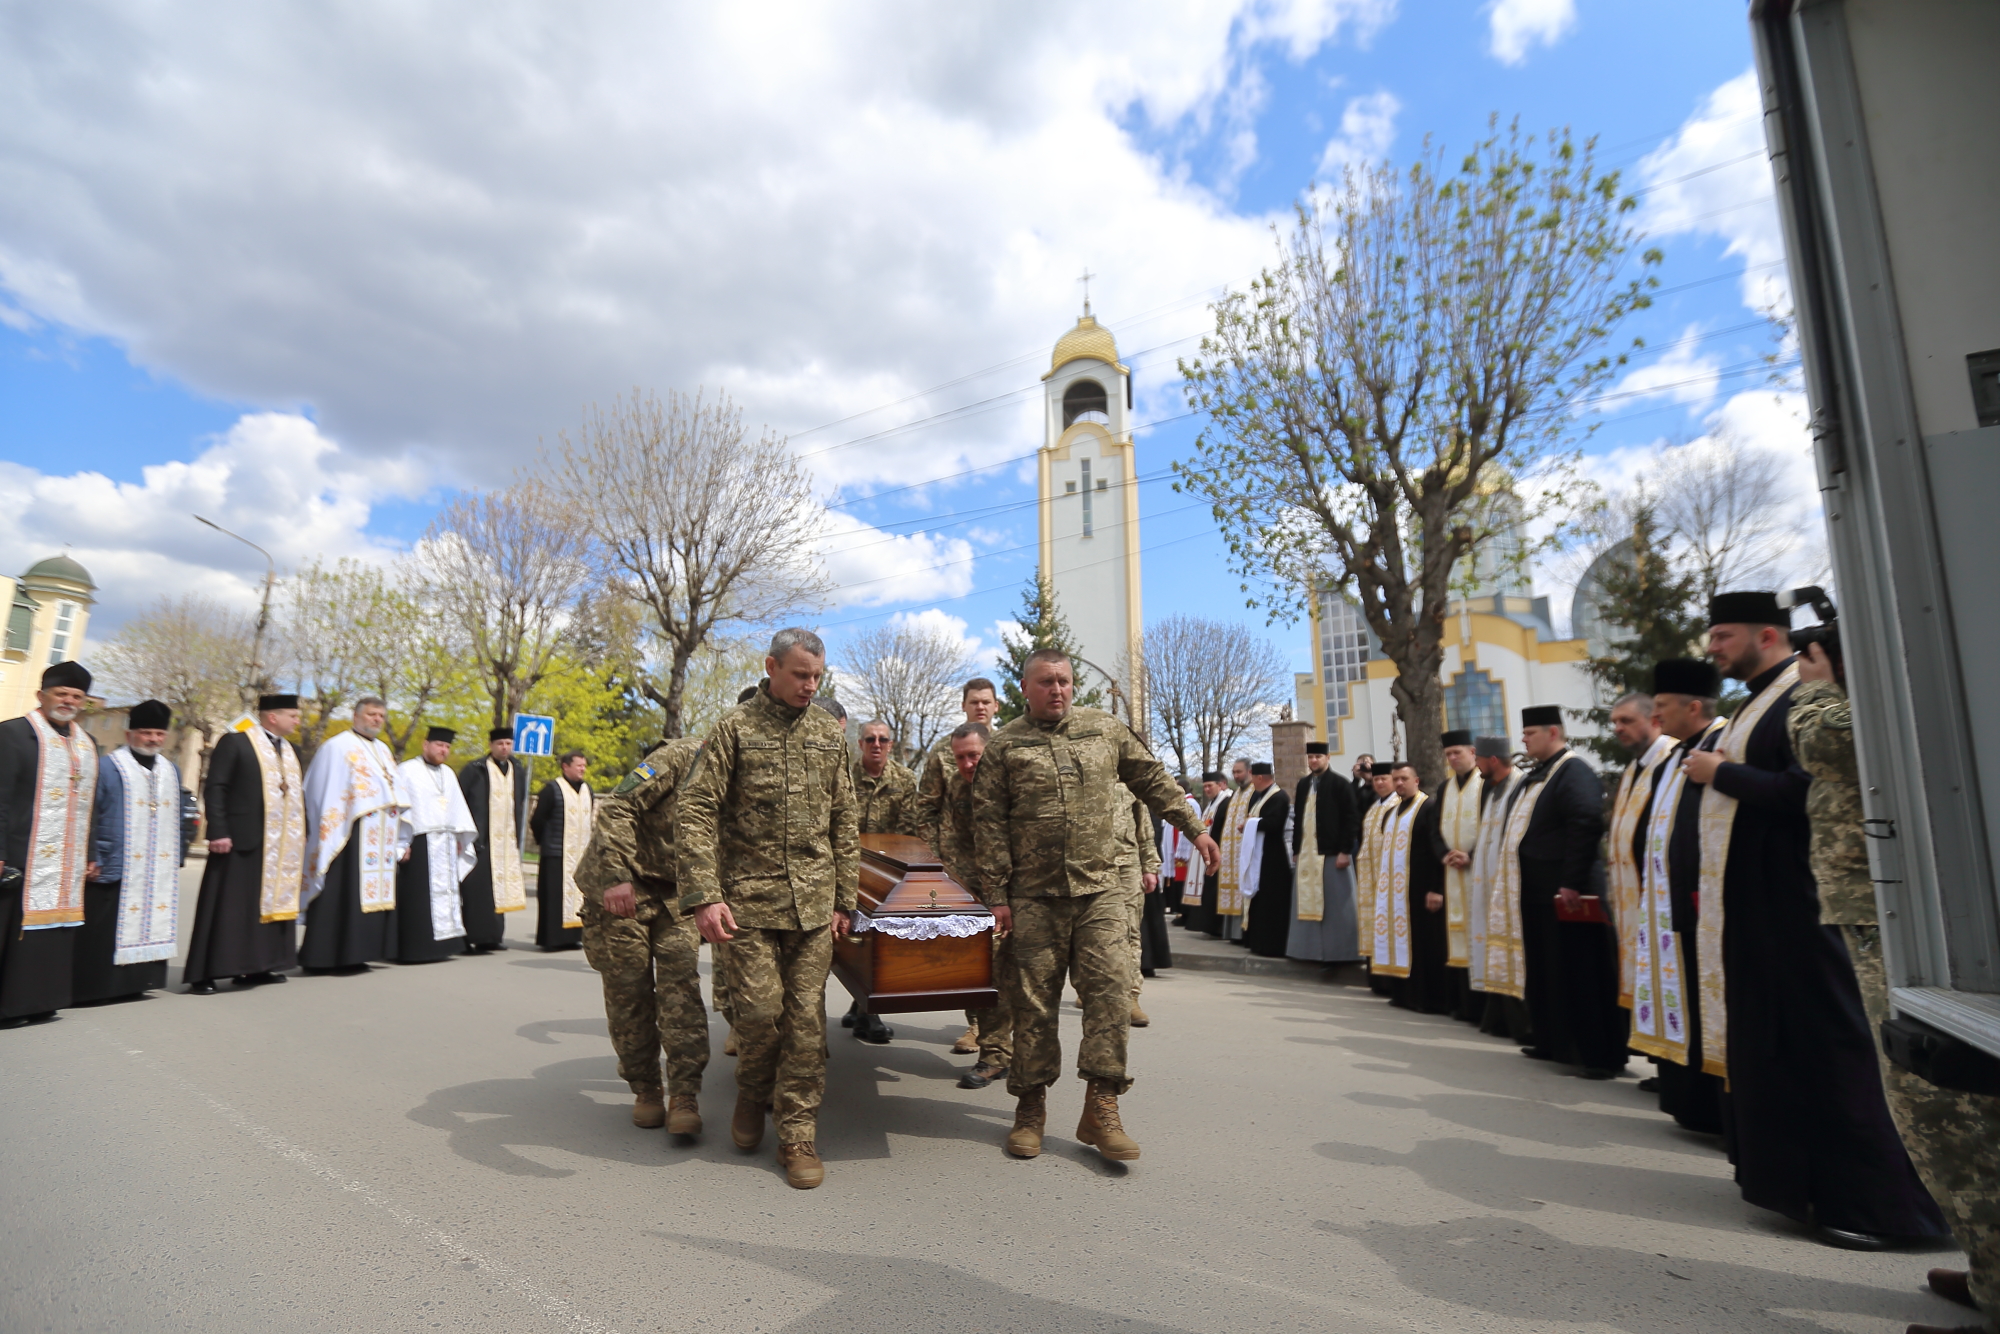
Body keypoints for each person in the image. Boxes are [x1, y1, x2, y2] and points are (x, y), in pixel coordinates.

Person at [1685, 592, 1946, 1246]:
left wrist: (1722, 773)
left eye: (1723, 634)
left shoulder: (1805, 698)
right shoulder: (1759, 701)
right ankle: (1802, 1188)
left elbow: (1811, 790)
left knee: (1835, 1048)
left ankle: (1879, 1208)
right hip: (1763, 910)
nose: (1712, 647)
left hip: (1808, 906)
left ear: (1768, 636)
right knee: (1783, 1047)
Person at [1789, 642, 2000, 1326]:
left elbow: (1825, 743)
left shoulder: (1864, 693)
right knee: (1930, 1096)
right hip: (1885, 906)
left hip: (1907, 910)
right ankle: (1990, 1271)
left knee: (1936, 1101)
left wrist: (1818, 687)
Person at [972, 648, 1219, 1162]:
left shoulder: (1104, 729)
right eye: (1046, 682)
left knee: (1109, 996)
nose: (1057, 689)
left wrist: (1194, 829)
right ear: (1025, 687)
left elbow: (1151, 777)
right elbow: (989, 823)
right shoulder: (1005, 745)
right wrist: (996, 895)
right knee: (1034, 1005)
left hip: (1100, 891)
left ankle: (1102, 1106)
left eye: (1063, 680)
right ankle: (1030, 1108)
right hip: (1033, 897)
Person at [678, 628, 858, 1190]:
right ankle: (753, 1091)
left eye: (817, 677)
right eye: (801, 674)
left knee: (806, 1024)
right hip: (748, 906)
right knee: (758, 1017)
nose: (810, 685)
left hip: (813, 908)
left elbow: (844, 819)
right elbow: (696, 808)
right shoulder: (734, 729)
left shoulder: (828, 734)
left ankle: (797, 1134)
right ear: (771, 667)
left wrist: (845, 900)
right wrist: (704, 894)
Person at [574, 735, 712, 1136]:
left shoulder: (746, 773)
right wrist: (617, 876)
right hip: (623, 887)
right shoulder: (679, 757)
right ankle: (646, 1087)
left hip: (676, 893)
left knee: (681, 988)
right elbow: (618, 807)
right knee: (629, 989)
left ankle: (684, 1093)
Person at [1631, 660, 1727, 1134]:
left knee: (1707, 1003)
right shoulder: (1674, 756)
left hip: (1701, 902)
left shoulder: (1723, 744)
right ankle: (1690, 1105)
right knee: (1682, 999)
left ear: (1693, 707)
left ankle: (1715, 1111)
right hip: (1667, 905)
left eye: (1662, 706)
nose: (1656, 715)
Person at [1502, 705, 1625, 1078]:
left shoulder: (1575, 771)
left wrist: (1571, 881)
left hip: (1571, 893)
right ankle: (1553, 1040)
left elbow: (1585, 823)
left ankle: (1598, 1055)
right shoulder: (1539, 774)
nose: (1523, 739)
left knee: (1583, 973)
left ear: (1553, 733)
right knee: (1547, 971)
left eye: (1530, 733)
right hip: (1538, 892)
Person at [184, 693, 305, 994]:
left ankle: (257, 967)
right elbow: (217, 787)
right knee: (226, 908)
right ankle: (206, 972)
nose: (298, 721)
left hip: (278, 844)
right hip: (238, 840)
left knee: (262, 907)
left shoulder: (292, 751)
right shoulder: (236, 742)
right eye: (293, 715)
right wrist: (218, 831)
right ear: (273, 716)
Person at [0, 661, 98, 1025]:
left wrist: (90, 853)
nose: (69, 701)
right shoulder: (12, 733)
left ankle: (42, 1000)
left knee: (56, 928)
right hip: (20, 851)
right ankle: (9, 1006)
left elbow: (90, 804)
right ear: (42, 695)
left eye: (77, 696)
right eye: (61, 694)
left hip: (66, 857)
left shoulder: (86, 744)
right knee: (14, 929)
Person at [77, 698, 186, 1003]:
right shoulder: (108, 766)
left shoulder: (171, 770)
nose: (153, 739)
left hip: (155, 864)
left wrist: (177, 855)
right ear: (129, 734)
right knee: (103, 927)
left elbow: (177, 816)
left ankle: (138, 983)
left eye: (159, 734)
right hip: (114, 860)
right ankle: (96, 988)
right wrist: (93, 855)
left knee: (152, 917)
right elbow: (90, 813)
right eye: (146, 733)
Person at [914, 678, 1001, 1054]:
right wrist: (935, 860)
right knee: (971, 949)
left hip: (1004, 867)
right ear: (963, 706)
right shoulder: (943, 751)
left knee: (1006, 952)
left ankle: (1004, 1031)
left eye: (986, 702)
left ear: (996, 706)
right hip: (960, 870)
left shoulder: (1009, 746)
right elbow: (925, 807)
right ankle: (976, 1024)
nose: (980, 707)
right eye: (973, 702)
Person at [299, 697, 409, 972]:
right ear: (356, 716)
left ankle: (359, 954)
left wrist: (401, 836)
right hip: (347, 834)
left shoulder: (383, 750)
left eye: (381, 716)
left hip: (379, 835)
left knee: (368, 895)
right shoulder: (337, 747)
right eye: (372, 714)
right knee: (342, 892)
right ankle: (326, 957)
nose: (377, 720)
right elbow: (322, 792)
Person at [934, 720, 1011, 1090]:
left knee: (1005, 974)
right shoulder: (956, 785)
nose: (966, 764)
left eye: (973, 756)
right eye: (960, 757)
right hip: (974, 891)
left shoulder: (1012, 782)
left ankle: (1002, 1054)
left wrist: (1005, 894)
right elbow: (951, 841)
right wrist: (958, 891)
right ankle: (993, 1052)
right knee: (981, 969)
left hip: (1013, 890)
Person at [1605, 692, 1674, 1023]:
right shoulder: (1635, 767)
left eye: (1627, 721)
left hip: (1663, 893)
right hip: (1633, 894)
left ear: (1654, 720)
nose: (1618, 728)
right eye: (1615, 722)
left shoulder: (1671, 759)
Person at [390, 726, 474, 963]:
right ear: (425, 745)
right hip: (418, 841)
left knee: (446, 895)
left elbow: (457, 807)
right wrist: (400, 842)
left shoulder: (448, 773)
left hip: (445, 843)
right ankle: (414, 949)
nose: (443, 750)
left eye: (447, 747)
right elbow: (398, 809)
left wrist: (459, 836)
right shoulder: (406, 770)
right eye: (439, 745)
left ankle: (443, 947)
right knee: (417, 898)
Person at [1466, 737, 1528, 1043]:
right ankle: (1497, 1015)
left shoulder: (1520, 786)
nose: (1475, 765)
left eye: (1478, 759)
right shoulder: (1491, 788)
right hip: (1488, 879)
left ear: (1492, 760)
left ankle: (1520, 1022)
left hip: (1509, 882)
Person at [1429, 731, 1484, 1018]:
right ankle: (1461, 1005)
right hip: (1451, 872)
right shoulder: (1445, 788)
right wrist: (1444, 854)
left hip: (1478, 872)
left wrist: (1471, 855)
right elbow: (1434, 829)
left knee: (1478, 934)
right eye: (1448, 754)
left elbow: (1492, 826)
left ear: (1472, 752)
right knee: (1455, 938)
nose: (1452, 758)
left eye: (1457, 753)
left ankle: (1481, 1006)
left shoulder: (1486, 783)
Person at [458, 727, 529, 953]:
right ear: (491, 745)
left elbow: (520, 802)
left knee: (499, 890)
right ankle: (471, 937)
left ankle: (493, 937)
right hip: (481, 839)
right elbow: (460, 800)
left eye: (508, 743)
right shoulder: (475, 769)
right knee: (477, 891)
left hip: (505, 841)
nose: (504, 748)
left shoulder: (517, 769)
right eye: (500, 744)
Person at [528, 750, 593, 951]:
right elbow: (537, 820)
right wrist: (546, 841)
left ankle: (573, 937)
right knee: (553, 898)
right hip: (556, 854)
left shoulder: (587, 790)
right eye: (579, 765)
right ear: (565, 767)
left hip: (580, 854)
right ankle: (552, 939)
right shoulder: (552, 789)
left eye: (584, 765)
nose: (583, 769)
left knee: (578, 897)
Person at [1233, 762, 1292, 959]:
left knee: (1272, 902)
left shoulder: (1279, 797)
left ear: (1259, 777)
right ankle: (1257, 942)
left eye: (1253, 777)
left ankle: (1272, 945)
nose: (1252, 782)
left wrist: (1249, 823)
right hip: (1260, 856)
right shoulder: (1260, 797)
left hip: (1273, 858)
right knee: (1260, 901)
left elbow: (1274, 823)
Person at [1117, 782, 1166, 1018]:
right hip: (1088, 868)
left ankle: (1131, 997)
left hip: (1127, 866)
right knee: (1087, 934)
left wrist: (1149, 867)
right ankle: (1089, 989)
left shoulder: (1128, 780)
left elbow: (1144, 828)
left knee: (1130, 932)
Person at [1355, 761, 1396, 994]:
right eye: (1377, 779)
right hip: (1370, 879)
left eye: (1384, 779)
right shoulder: (1373, 807)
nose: (1380, 783)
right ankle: (1377, 981)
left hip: (1390, 879)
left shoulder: (1397, 805)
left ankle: (1391, 981)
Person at [1180, 772, 1228, 936]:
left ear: (1220, 785)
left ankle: (1214, 927)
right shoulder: (1210, 805)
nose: (1207, 789)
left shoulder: (1225, 802)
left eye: (1210, 786)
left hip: (1218, 852)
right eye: (1205, 786)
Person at [1215, 757, 1254, 942]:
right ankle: (1231, 933)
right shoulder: (1236, 794)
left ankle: (1242, 933)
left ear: (1249, 772)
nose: (1236, 776)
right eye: (1234, 772)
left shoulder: (1254, 792)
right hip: (1230, 853)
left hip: (1244, 852)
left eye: (1239, 772)